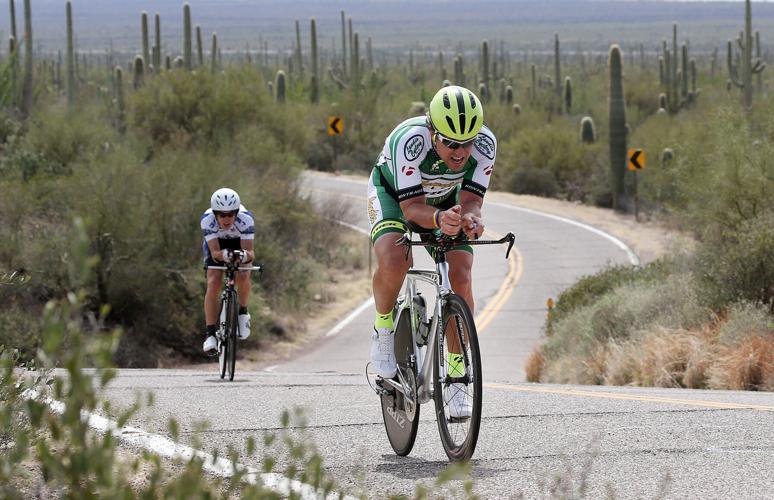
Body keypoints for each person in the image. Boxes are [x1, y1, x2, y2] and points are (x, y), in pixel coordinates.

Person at [366, 85, 497, 418]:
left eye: (467, 143)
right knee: (395, 258)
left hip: (444, 199)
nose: (460, 152)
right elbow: (411, 209)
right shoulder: (410, 142)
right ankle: (383, 327)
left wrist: (471, 218)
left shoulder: (486, 144)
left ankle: (456, 372)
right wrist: (439, 219)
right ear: (432, 132)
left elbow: (472, 200)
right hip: (394, 195)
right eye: (451, 143)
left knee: (461, 274)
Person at [201, 187, 256, 355]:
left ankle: (243, 312)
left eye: (231, 214)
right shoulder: (207, 220)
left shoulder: (246, 220)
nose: (226, 219)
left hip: (239, 243)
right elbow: (215, 253)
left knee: (244, 275)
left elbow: (250, 253)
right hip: (218, 245)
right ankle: (210, 334)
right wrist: (224, 255)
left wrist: (243, 256)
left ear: (237, 213)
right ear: (215, 214)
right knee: (213, 281)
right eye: (222, 215)